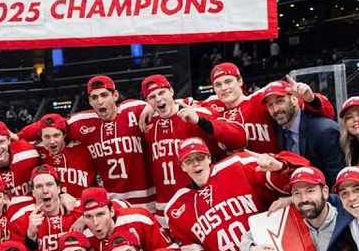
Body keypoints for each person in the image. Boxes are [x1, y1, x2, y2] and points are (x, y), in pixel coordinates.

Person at [164, 138, 302, 251]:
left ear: (209, 158)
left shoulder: (238, 165)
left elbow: (292, 178)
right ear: (182, 166)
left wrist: (279, 167)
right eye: (188, 160)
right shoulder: (176, 208)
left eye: (200, 157)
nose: (196, 163)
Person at [19, 75, 153, 209]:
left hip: (148, 196)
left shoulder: (134, 108)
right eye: (94, 97)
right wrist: (18, 135)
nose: (100, 101)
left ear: (115, 95)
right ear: (89, 101)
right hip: (112, 199)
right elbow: (52, 123)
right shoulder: (82, 121)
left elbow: (168, 106)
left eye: (104, 95)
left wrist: (151, 106)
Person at [140, 73, 245, 221]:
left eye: (162, 92)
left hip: (202, 201)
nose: (158, 99)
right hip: (165, 205)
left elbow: (239, 138)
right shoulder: (149, 124)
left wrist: (199, 120)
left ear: (171, 91)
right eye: (152, 97)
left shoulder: (196, 113)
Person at [200, 63, 335, 154]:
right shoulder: (211, 107)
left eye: (228, 81)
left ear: (240, 81)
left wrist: (311, 98)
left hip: (274, 173)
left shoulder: (262, 98)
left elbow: (328, 112)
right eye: (218, 85)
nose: (224, 88)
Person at [263, 80, 345, 186]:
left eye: (279, 101)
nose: (275, 109)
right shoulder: (279, 128)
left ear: (294, 99)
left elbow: (338, 181)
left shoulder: (324, 131)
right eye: (270, 105)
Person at [33, 113, 96, 199]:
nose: (52, 141)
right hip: (53, 208)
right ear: (41, 137)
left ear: (64, 135)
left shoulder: (83, 148)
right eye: (47, 137)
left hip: (83, 206)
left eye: (56, 135)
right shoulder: (35, 151)